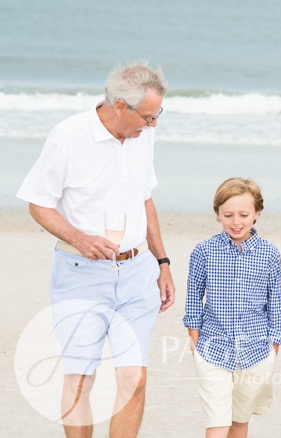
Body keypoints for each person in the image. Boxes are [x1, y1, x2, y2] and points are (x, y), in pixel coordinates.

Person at [16, 61, 174, 437]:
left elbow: (145, 199)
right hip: (81, 275)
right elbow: (38, 202)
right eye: (148, 117)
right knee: (80, 378)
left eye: (157, 115)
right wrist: (79, 238)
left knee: (133, 380)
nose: (153, 125)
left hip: (137, 274)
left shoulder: (143, 135)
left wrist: (162, 262)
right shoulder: (68, 137)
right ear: (121, 106)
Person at [183, 177, 281, 438]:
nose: (236, 221)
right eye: (228, 214)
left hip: (256, 352)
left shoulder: (270, 254)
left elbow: (276, 303)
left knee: (239, 421)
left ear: (257, 214)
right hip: (212, 350)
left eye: (244, 214)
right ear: (218, 213)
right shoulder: (204, 252)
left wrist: (273, 348)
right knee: (217, 423)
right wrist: (196, 344)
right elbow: (193, 300)